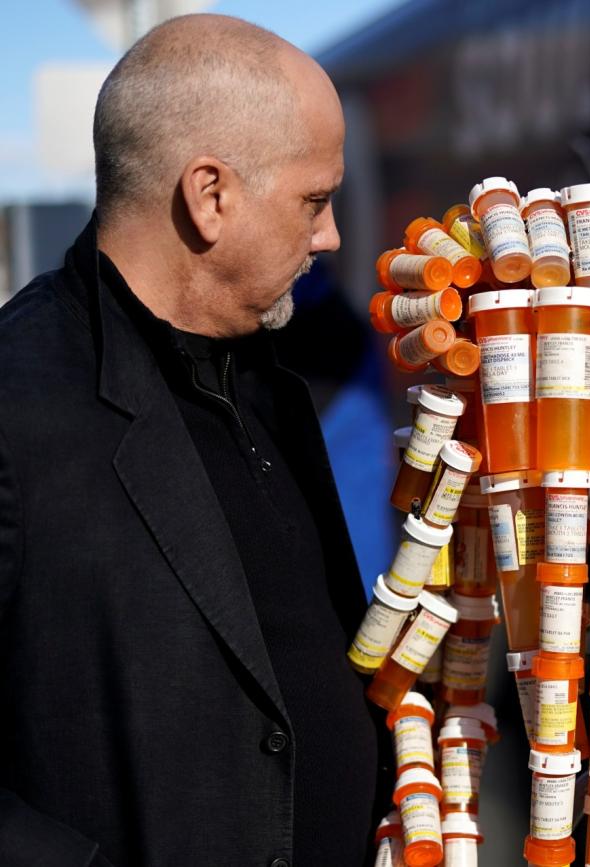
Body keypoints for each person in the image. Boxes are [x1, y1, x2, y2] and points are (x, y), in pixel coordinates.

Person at [0, 15, 385, 866]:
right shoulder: (18, 397)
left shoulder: (265, 373)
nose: (331, 237)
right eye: (314, 201)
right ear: (210, 196)